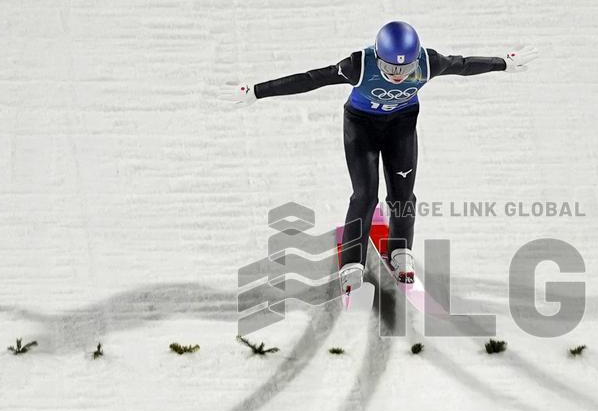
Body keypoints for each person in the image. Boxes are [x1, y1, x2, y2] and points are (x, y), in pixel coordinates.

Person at [230, 21, 537, 296]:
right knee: (365, 196)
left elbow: (464, 64)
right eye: (390, 69)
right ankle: (351, 262)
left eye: (404, 71)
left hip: (401, 125)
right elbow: (312, 79)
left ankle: (400, 249)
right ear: (378, 57)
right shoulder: (358, 65)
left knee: (403, 195)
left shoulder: (429, 62)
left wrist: (504, 64)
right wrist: (257, 91)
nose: (396, 77)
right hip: (360, 127)